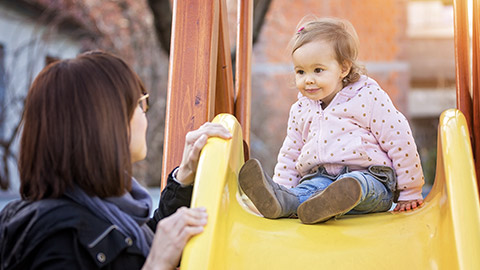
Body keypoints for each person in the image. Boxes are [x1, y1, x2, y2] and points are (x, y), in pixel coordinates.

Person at [0, 51, 232, 269]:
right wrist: (156, 265)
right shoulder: (55, 237)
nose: (145, 114)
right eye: (140, 103)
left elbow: (134, 249)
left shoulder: (95, 211)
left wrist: (184, 176)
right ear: (107, 120)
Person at [239, 17, 425, 224]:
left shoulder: (367, 96)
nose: (307, 79)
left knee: (355, 184)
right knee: (305, 191)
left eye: (318, 70)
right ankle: (285, 201)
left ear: (343, 69)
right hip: (320, 181)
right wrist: (282, 187)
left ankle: (332, 198)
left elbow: (398, 138)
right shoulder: (301, 109)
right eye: (300, 71)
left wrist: (410, 190)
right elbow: (290, 153)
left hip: (371, 180)